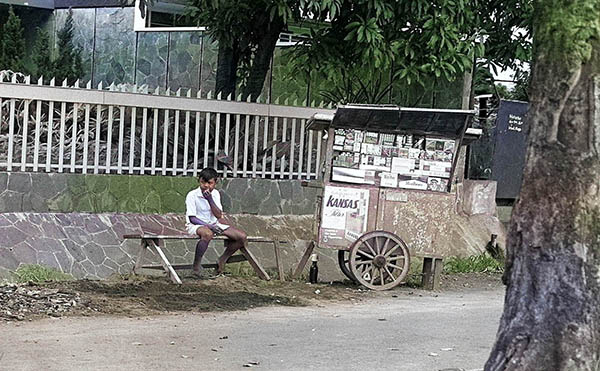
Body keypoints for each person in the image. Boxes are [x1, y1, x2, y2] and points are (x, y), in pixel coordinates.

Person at [185, 167, 248, 278]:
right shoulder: (192, 195)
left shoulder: (215, 194)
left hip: (214, 224)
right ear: (199, 181)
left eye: (209, 183)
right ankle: (196, 266)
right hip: (197, 225)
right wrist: (208, 226)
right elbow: (192, 218)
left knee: (242, 237)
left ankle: (222, 259)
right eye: (203, 182)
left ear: (215, 183)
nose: (206, 186)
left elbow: (218, 215)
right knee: (207, 234)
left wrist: (210, 200)